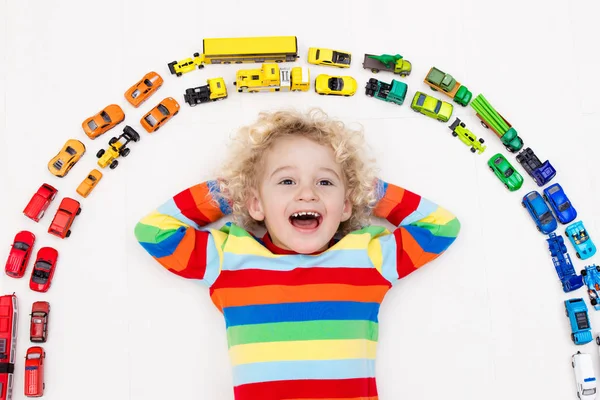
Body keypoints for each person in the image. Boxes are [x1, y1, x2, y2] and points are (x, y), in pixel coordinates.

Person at [134, 108, 461, 400]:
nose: (307, 193)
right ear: (257, 204)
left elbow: (441, 226)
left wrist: (367, 190)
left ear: (345, 205)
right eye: (287, 181)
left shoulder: (366, 257)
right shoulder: (230, 259)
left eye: (325, 182)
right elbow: (154, 231)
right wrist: (228, 193)